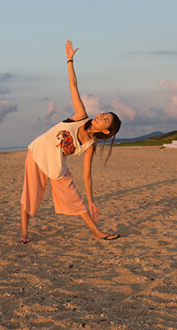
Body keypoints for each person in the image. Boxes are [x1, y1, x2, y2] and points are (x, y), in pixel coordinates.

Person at [19, 40, 122, 243]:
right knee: (30, 194)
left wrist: (92, 201)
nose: (101, 115)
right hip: (38, 152)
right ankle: (24, 234)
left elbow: (87, 176)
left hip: (56, 164)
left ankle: (96, 232)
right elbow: (73, 86)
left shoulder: (90, 145)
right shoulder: (81, 116)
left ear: (107, 130)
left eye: (106, 118)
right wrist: (69, 60)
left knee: (75, 197)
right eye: (103, 113)